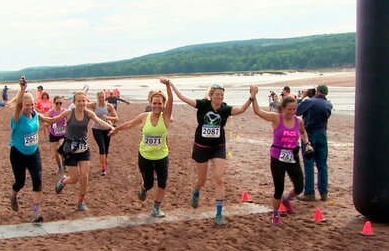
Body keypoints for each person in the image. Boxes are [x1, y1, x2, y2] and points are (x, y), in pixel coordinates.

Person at [169, 81, 252, 226]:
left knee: (219, 179)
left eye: (222, 95)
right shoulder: (203, 105)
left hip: (218, 147)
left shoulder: (225, 109)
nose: (219, 97)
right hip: (201, 147)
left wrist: (251, 97)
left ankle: (219, 215)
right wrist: (171, 84)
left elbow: (241, 110)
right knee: (202, 180)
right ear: (211, 95)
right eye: (217, 95)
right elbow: (183, 98)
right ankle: (196, 191)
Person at [109, 78, 174, 217]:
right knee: (149, 184)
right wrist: (117, 129)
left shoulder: (166, 117)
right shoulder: (144, 116)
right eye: (154, 103)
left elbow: (171, 100)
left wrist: (168, 85)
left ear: (163, 105)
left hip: (161, 155)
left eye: (160, 103)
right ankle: (144, 188)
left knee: (162, 183)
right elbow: (130, 124)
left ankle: (156, 208)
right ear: (150, 103)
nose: (157, 106)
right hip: (145, 155)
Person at [249, 87, 311, 225]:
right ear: (282, 109)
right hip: (277, 158)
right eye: (289, 109)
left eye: (294, 109)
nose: (292, 112)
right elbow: (257, 112)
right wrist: (253, 96)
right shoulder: (276, 118)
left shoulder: (298, 121)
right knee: (279, 188)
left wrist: (307, 144)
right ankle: (276, 214)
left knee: (299, 186)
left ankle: (287, 199)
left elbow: (303, 132)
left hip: (292, 157)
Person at [52, 91, 113, 211]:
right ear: (74, 102)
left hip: (84, 149)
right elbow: (53, 120)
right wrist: (39, 116)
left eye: (83, 101)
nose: (81, 103)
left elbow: (100, 121)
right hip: (70, 150)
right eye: (79, 101)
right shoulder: (68, 113)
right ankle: (64, 181)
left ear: (86, 101)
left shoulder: (89, 113)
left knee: (84, 176)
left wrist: (111, 127)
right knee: (74, 179)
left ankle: (80, 202)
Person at [7, 77, 55, 223]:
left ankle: (36, 211)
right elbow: (18, 106)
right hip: (18, 154)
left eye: (32, 104)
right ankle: (13, 195)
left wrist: (66, 116)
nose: (30, 107)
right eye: (27, 105)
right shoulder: (17, 117)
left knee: (37, 179)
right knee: (20, 182)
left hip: (34, 152)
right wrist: (22, 89)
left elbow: (49, 120)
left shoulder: (35, 115)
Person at [296, 84, 333, 202]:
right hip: (322, 133)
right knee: (322, 165)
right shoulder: (328, 104)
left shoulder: (310, 101)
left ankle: (309, 192)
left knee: (309, 163)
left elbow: (296, 110)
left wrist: (303, 97)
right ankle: (323, 192)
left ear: (317, 91)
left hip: (310, 134)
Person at [88, 91, 118, 176]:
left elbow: (116, 118)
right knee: (102, 148)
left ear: (105, 97)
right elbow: (83, 105)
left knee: (106, 149)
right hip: (96, 129)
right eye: (99, 97)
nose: (101, 99)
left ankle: (105, 163)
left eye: (103, 97)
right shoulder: (94, 105)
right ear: (97, 98)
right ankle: (103, 167)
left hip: (107, 129)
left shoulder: (109, 106)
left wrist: (108, 117)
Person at [47, 95, 67, 174]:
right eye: (57, 103)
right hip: (53, 134)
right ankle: (59, 167)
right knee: (55, 153)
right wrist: (49, 124)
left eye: (60, 103)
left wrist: (66, 124)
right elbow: (47, 122)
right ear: (54, 103)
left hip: (63, 134)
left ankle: (64, 165)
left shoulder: (65, 111)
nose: (59, 105)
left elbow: (69, 119)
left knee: (61, 149)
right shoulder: (51, 112)